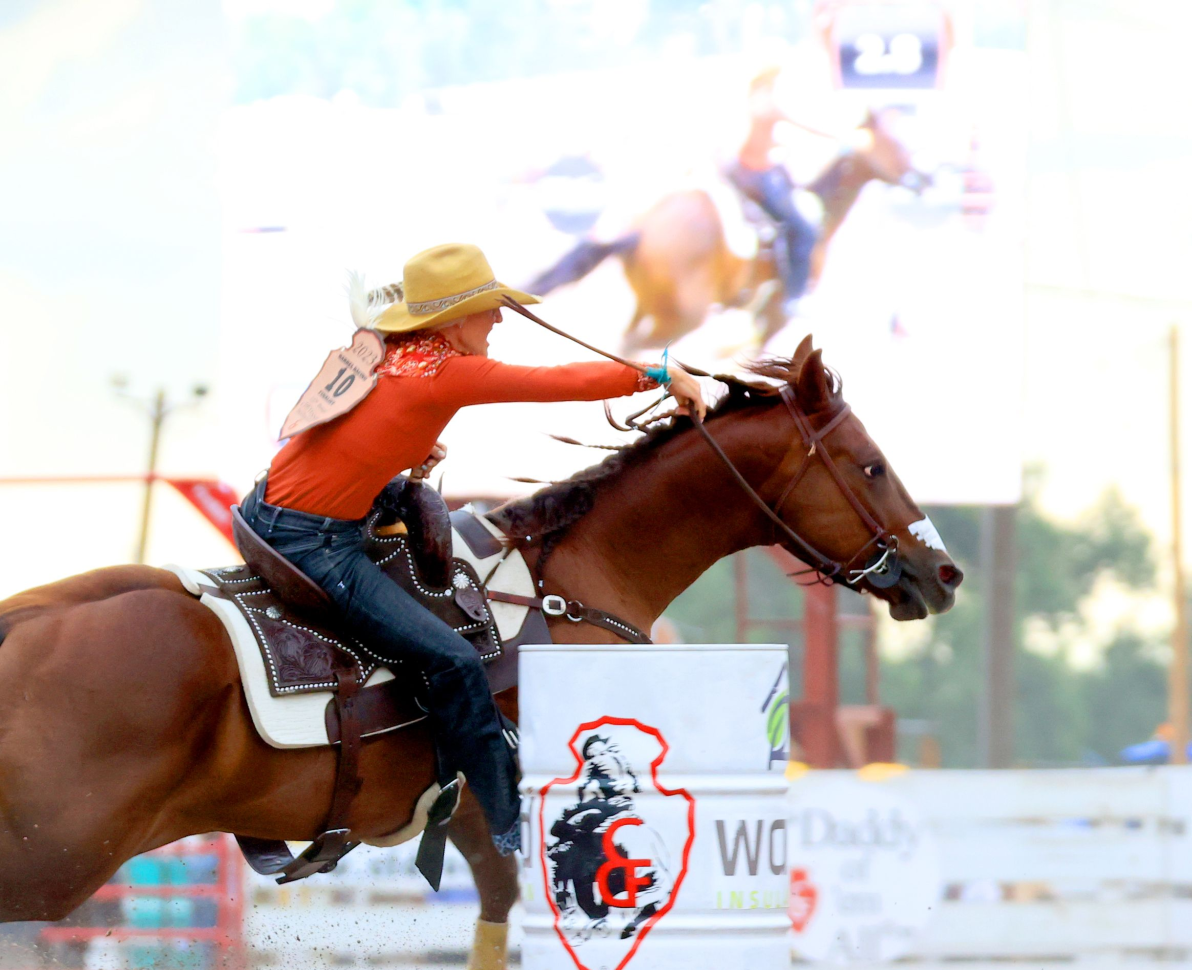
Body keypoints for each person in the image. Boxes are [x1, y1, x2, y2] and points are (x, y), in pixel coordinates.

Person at [245, 243, 703, 855]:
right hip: (315, 542)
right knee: (453, 661)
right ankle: (507, 816)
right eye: (489, 309)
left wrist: (396, 459)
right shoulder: (445, 374)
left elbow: (342, 435)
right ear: (456, 319)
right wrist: (658, 372)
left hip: (267, 512)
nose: (500, 320)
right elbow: (554, 384)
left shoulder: (388, 354)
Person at [728, 66, 834, 315]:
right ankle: (793, 294)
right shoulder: (768, 106)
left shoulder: (752, 104)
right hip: (758, 174)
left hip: (743, 170)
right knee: (804, 230)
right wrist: (839, 136)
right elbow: (806, 125)